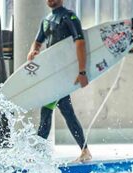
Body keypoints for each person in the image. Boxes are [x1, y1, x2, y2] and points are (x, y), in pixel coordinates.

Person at [28, 0, 92, 162]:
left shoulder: (69, 17)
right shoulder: (46, 20)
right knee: (63, 111)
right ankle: (84, 151)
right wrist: (33, 51)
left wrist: (82, 71)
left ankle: (38, 155)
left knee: (50, 112)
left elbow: (80, 43)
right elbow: (38, 42)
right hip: (52, 73)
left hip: (63, 74)